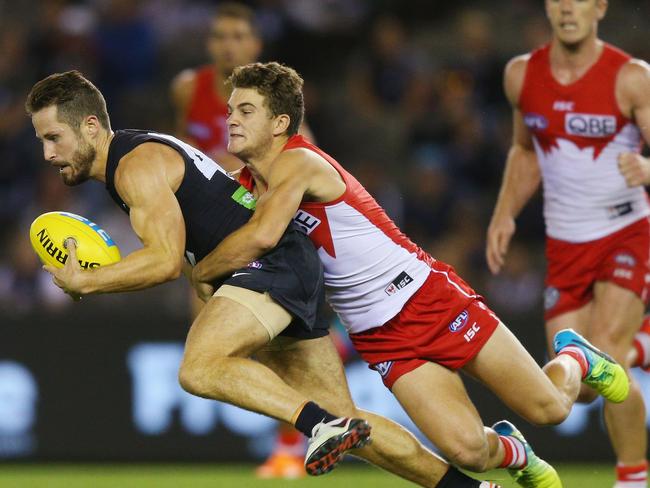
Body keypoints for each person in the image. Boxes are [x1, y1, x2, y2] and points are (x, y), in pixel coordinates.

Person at [25, 70, 504, 488]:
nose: (48, 154)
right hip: (284, 266)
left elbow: (165, 261)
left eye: (54, 138)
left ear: (90, 125)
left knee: (199, 368)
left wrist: (87, 282)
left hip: (269, 264)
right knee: (352, 422)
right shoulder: (133, 161)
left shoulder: (135, 166)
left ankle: (317, 424)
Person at [190, 60, 630, 488]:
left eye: (246, 111)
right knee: (469, 452)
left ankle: (576, 356)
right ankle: (515, 451)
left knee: (549, 409)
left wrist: (201, 273)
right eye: (230, 110)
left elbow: (263, 236)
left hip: (427, 298)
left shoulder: (300, 162)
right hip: (379, 335)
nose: (231, 120)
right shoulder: (247, 182)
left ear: (280, 122)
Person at [485, 1, 650, 487]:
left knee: (609, 355)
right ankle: (644, 345)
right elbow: (523, 150)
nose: (567, 8)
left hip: (626, 234)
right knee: (579, 389)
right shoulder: (521, 75)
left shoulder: (632, 78)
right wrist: (504, 213)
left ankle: (633, 478)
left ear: (600, 6)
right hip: (565, 246)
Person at [169, 3, 313, 476]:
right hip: (202, 242)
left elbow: (305, 155)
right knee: (211, 351)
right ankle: (295, 434)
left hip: (256, 239)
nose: (227, 44)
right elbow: (176, 156)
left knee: (265, 346)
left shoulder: (275, 109)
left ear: (255, 46)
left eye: (237, 35)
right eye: (219, 35)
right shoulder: (189, 88)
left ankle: (291, 444)